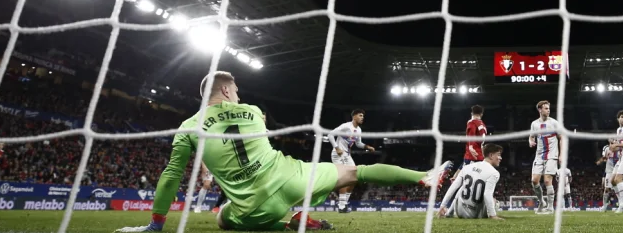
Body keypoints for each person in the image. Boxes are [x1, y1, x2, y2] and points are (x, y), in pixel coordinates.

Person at [114, 72, 448, 232]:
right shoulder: (254, 111)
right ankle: (423, 177)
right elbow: (252, 128)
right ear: (228, 90)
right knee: (356, 173)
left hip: (253, 204)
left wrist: (156, 224)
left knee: (222, 219)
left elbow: (172, 176)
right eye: (236, 89)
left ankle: (288, 223)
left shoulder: (188, 126)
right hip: (291, 177)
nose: (238, 92)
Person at [439, 144, 504, 219]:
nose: (500, 158)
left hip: (459, 211)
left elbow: (453, 187)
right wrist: (493, 215)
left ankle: (449, 213)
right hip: (476, 214)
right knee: (494, 201)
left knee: (461, 188)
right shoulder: (494, 173)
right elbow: (487, 194)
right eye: (499, 155)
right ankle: (492, 214)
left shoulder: (467, 167)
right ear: (491, 155)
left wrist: (442, 206)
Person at [329, 109, 375, 214]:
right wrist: (337, 148)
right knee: (345, 179)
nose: (362, 117)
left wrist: (367, 147)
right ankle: (341, 207)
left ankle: (344, 204)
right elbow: (330, 135)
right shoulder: (345, 126)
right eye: (360, 115)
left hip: (347, 155)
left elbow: (358, 143)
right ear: (354, 116)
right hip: (338, 154)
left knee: (354, 178)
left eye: (363, 116)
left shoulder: (358, 130)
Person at [528, 100, 562, 214]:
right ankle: (542, 202)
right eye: (546, 108)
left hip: (552, 155)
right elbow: (531, 137)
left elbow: (561, 138)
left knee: (548, 181)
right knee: (534, 181)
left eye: (548, 108)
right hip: (539, 156)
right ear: (540, 110)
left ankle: (550, 207)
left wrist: (561, 154)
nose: (548, 110)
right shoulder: (534, 124)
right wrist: (530, 141)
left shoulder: (554, 123)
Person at [598, 143, 619, 211]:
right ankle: (604, 206)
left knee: (618, 189)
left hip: (617, 171)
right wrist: (602, 159)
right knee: (606, 189)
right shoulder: (606, 148)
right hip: (609, 172)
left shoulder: (619, 148)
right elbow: (604, 158)